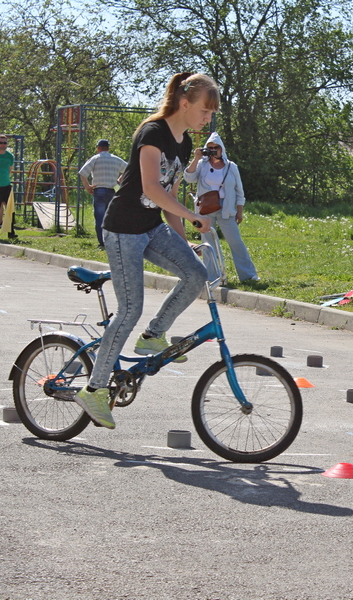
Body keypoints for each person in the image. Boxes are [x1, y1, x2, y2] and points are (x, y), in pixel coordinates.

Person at [75, 72, 218, 429]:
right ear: (184, 104)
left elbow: (169, 199)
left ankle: (153, 336)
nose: (208, 118)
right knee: (130, 308)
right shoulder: (151, 133)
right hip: (123, 229)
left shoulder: (183, 142)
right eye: (205, 110)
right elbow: (153, 187)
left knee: (195, 274)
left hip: (151, 227)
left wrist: (183, 238)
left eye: (212, 113)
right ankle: (93, 390)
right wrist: (194, 215)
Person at [184, 131, 259, 282]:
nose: (212, 150)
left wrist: (239, 211)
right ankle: (211, 277)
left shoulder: (231, 167)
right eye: (209, 147)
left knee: (235, 241)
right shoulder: (201, 164)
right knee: (208, 243)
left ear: (221, 149)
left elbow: (239, 191)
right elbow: (189, 177)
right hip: (205, 208)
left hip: (226, 208)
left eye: (215, 147)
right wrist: (196, 158)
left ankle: (248, 276)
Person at [79, 139, 128, 248]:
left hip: (99, 190)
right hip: (112, 191)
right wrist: (119, 179)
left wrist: (88, 187)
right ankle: (111, 241)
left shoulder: (95, 159)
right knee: (110, 218)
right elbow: (128, 169)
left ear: (98, 148)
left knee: (100, 217)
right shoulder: (116, 159)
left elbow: (82, 173)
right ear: (108, 148)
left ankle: (102, 242)